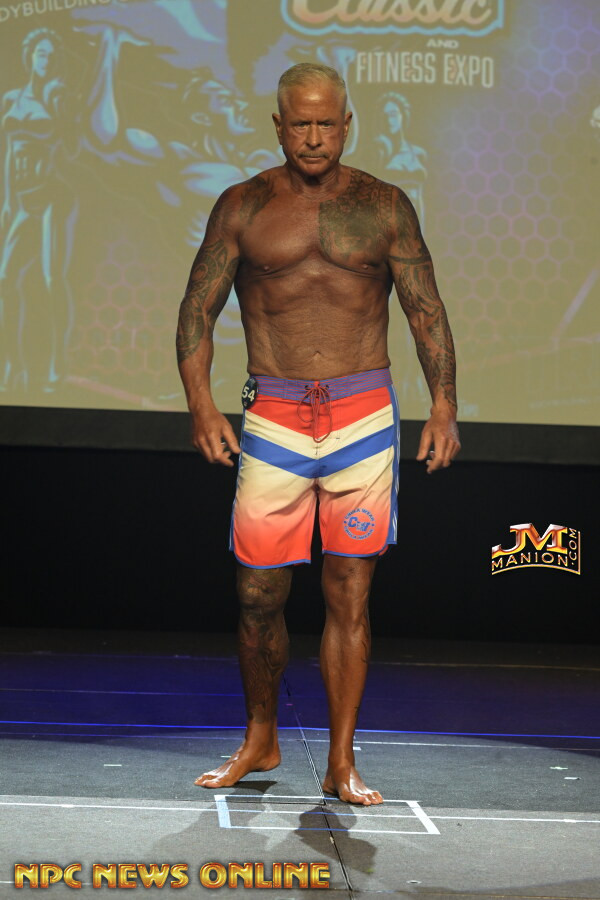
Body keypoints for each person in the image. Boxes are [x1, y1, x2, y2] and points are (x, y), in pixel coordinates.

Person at [176, 63, 460, 806]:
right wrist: (202, 405)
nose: (312, 137)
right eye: (299, 123)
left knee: (350, 590)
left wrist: (444, 407)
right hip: (274, 414)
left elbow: (424, 308)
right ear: (278, 125)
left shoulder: (384, 205)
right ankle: (261, 737)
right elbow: (198, 308)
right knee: (258, 592)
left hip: (362, 415)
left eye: (325, 124)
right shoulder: (243, 205)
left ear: (346, 125)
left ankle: (340, 759)